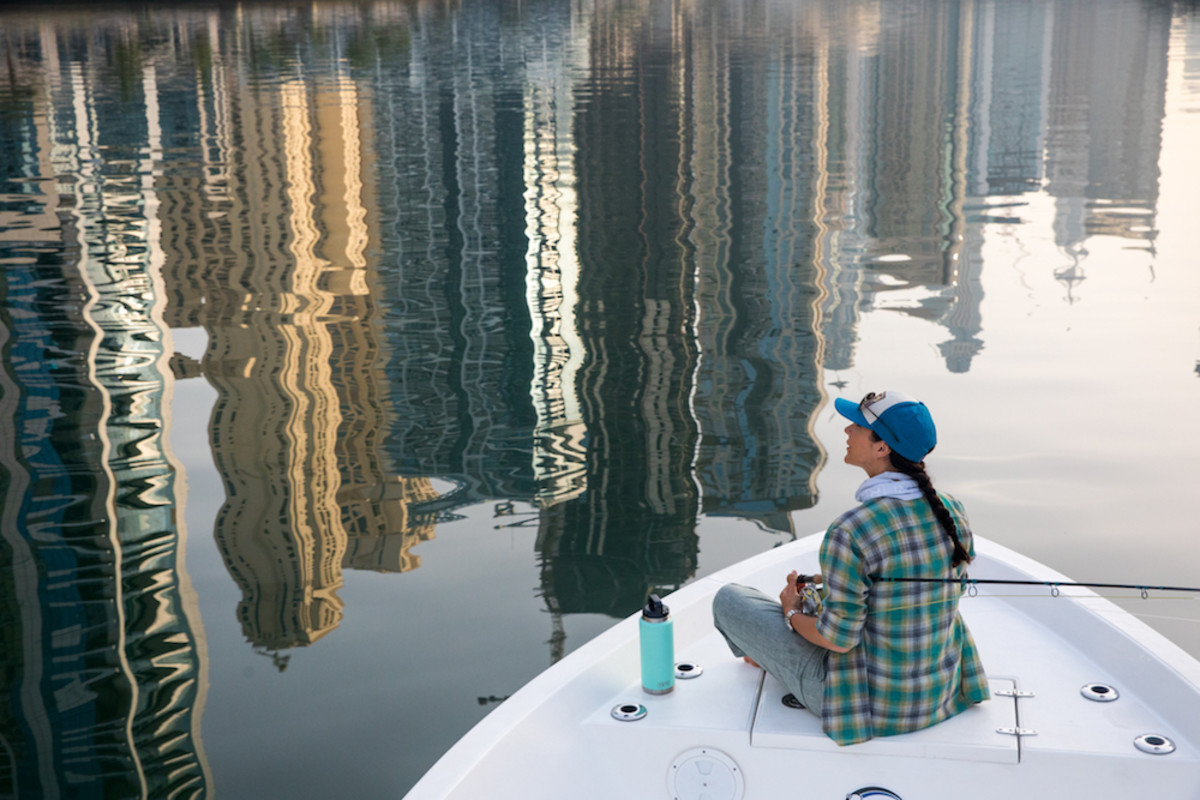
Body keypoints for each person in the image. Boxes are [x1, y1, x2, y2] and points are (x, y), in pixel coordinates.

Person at [712, 390, 989, 746]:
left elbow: (838, 640)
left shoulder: (852, 530)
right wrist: (823, 585)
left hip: (867, 706)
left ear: (881, 448)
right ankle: (767, 653)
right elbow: (935, 587)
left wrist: (792, 612)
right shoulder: (952, 509)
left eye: (858, 425)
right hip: (940, 694)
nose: (846, 430)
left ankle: (761, 655)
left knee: (730, 599)